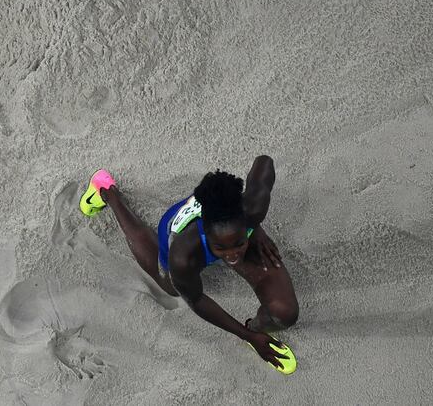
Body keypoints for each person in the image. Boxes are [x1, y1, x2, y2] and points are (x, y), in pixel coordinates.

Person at [79, 156, 298, 374]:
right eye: (221, 248)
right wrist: (244, 335)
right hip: (179, 229)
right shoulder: (182, 254)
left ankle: (257, 328)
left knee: (285, 313)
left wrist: (256, 228)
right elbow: (196, 300)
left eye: (239, 244)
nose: (232, 257)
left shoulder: (253, 208)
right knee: (172, 287)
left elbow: (264, 162)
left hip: (226, 215)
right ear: (207, 233)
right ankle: (107, 192)